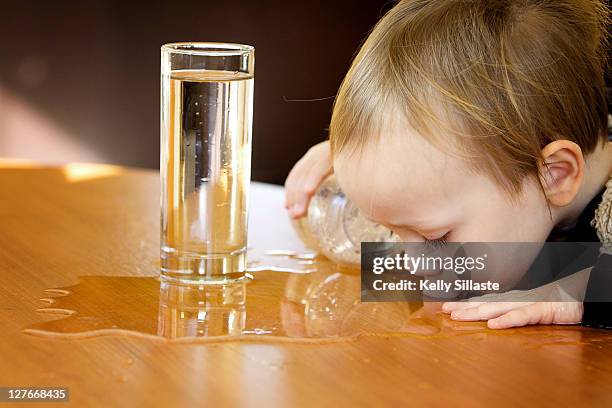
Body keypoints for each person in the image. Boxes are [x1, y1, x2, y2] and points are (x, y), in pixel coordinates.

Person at [284, 0, 612, 329]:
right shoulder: (507, 187)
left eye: (438, 238)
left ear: (555, 176)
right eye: (393, 232)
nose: (413, 266)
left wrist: (576, 294)